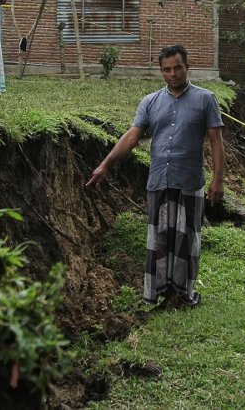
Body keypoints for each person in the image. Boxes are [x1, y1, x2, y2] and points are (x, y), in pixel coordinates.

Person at [86, 45, 225, 309]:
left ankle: (182, 293)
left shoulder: (206, 99)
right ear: (161, 71)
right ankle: (159, 292)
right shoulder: (150, 101)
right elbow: (132, 136)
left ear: (187, 67)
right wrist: (105, 164)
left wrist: (219, 179)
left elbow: (216, 141)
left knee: (186, 240)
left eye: (177, 68)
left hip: (189, 180)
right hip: (159, 180)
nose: (173, 74)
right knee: (159, 240)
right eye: (167, 69)